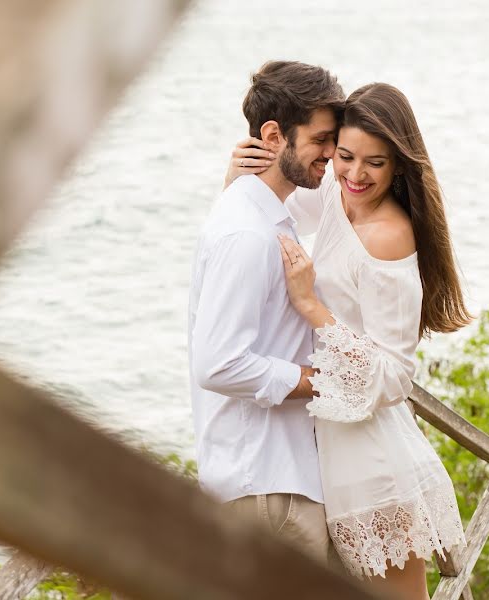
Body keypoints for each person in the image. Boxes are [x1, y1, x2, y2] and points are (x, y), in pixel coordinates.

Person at [224, 82, 470, 600]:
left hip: (377, 475)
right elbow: (281, 208)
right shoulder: (340, 198)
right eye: (345, 155)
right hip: (338, 466)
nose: (356, 175)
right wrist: (240, 177)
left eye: (375, 163)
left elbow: (396, 375)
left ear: (399, 166)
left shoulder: (387, 235)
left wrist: (313, 307)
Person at [187, 60, 345, 565]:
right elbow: (217, 363)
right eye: (322, 140)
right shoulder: (248, 234)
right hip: (269, 492)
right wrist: (318, 381)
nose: (331, 154)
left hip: (272, 482)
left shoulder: (262, 214)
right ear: (275, 135)